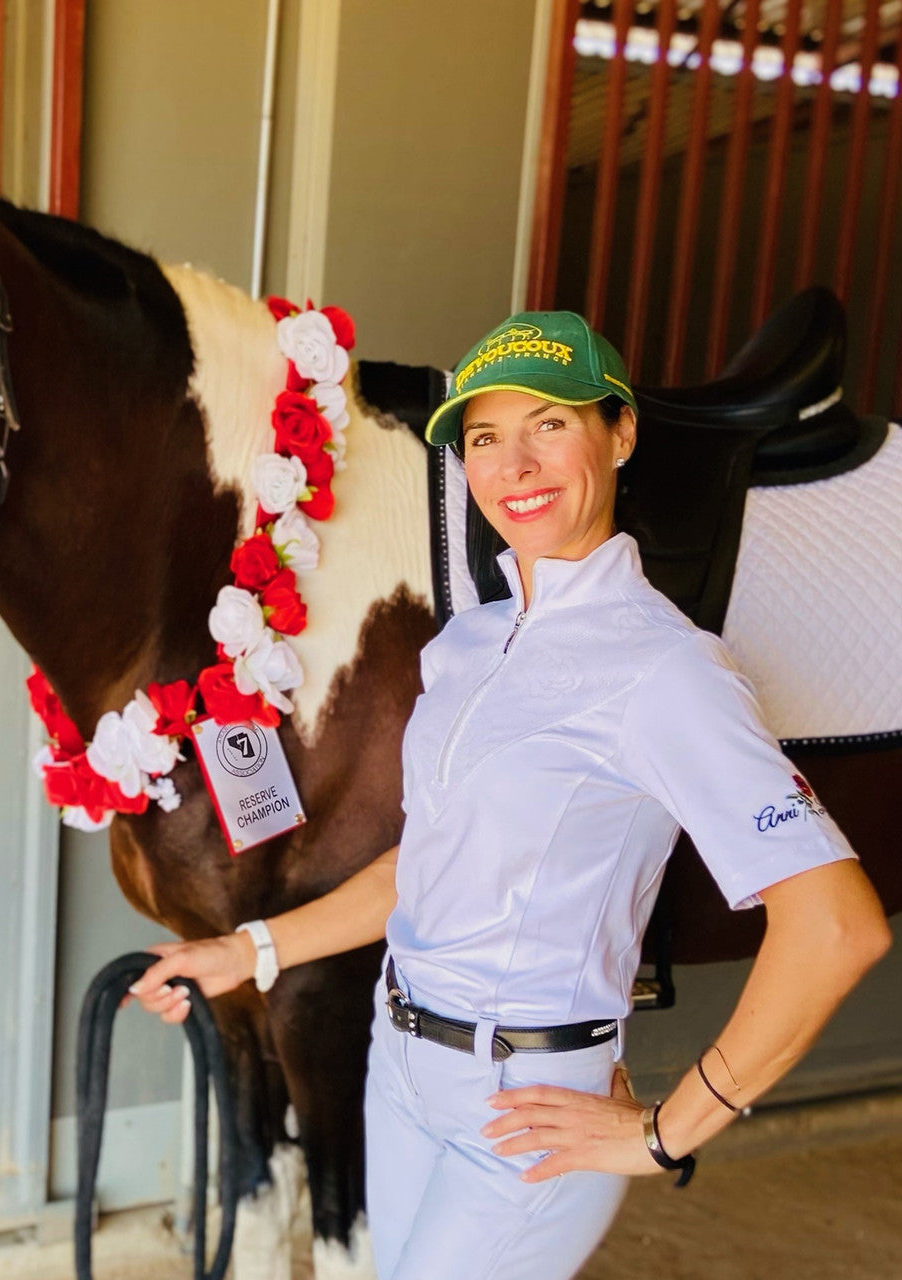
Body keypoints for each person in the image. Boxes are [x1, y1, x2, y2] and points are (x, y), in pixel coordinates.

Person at [128, 311, 892, 1279]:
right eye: (484, 438)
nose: (513, 464)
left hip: (527, 1102)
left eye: (547, 424)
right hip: (398, 1058)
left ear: (617, 432)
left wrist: (666, 1128)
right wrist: (246, 949)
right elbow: (424, 865)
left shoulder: (664, 669)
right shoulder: (469, 643)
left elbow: (834, 925)